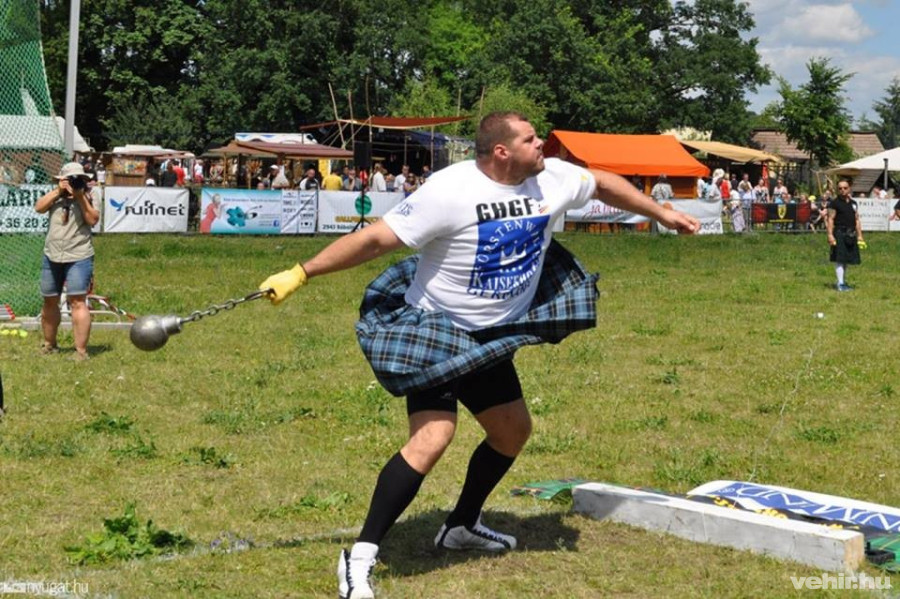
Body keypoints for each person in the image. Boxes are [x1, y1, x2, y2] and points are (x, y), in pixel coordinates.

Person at [257, 112, 700, 599]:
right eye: (531, 139)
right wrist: (302, 273)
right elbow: (377, 238)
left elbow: (601, 183)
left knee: (512, 431)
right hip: (435, 330)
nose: (542, 145)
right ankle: (358, 559)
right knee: (433, 437)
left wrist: (662, 214)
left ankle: (461, 525)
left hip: (490, 336)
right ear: (502, 152)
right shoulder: (450, 191)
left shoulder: (550, 178)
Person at [33, 162, 100, 361]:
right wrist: (58, 191)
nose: (73, 183)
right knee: (49, 300)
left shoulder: (91, 195)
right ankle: (49, 345)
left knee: (78, 301)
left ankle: (81, 351)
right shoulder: (55, 195)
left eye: (77, 179)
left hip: (79, 254)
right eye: (69, 180)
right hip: (52, 254)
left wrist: (80, 197)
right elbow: (38, 208)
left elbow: (93, 220)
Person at [827, 179, 865, 291]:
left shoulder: (853, 203)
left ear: (849, 188)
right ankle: (840, 284)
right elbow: (830, 219)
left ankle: (843, 281)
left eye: (845, 188)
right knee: (840, 259)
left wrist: (860, 235)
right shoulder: (834, 203)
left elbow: (857, 220)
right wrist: (830, 235)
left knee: (846, 259)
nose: (842, 190)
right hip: (839, 232)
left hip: (851, 234)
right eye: (840, 188)